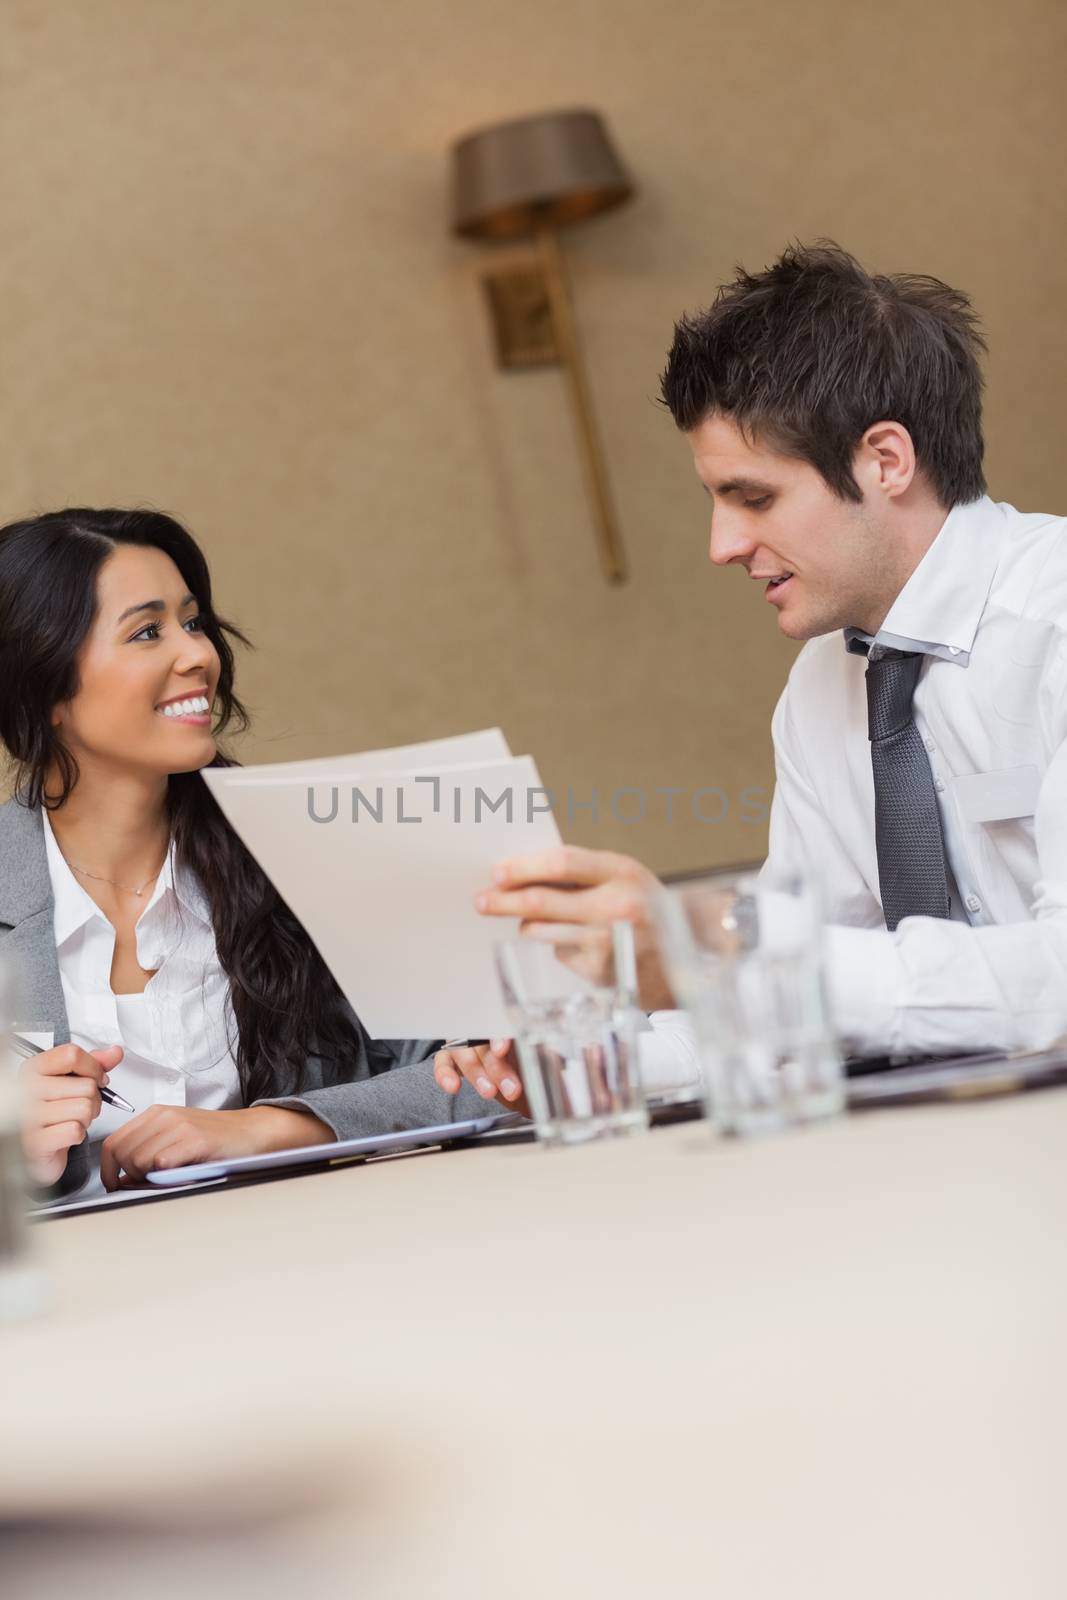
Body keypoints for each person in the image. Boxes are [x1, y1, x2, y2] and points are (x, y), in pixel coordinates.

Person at [436, 240, 1067, 1104]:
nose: (721, 546)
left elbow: (1056, 978)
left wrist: (712, 943)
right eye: (715, 500)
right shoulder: (824, 683)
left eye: (753, 497)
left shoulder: (1056, 620)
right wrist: (590, 1062)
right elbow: (787, 1006)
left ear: (885, 460)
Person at [0, 508, 489, 1199]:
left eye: (192, 622)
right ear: (43, 683)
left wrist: (278, 1127)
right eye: (147, 631)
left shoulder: (309, 852)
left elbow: (503, 1065)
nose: (198, 654)